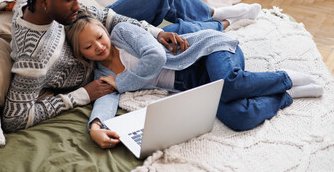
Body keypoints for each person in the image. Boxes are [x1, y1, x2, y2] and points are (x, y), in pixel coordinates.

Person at [3, 0, 261, 133]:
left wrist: (155, 32)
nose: (78, 5)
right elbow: (14, 117)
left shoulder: (34, 6)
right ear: (45, 2)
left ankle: (214, 15)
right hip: (93, 53)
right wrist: (82, 95)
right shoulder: (33, 59)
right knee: (182, 35)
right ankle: (218, 24)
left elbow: (104, 17)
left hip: (91, 34)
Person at [66, 16, 324, 149]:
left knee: (231, 84)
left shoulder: (122, 33)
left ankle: (285, 77)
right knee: (238, 117)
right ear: (81, 54)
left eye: (99, 37)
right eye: (88, 47)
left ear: (104, 29)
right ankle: (286, 96)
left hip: (208, 52)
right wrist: (96, 126)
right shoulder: (101, 74)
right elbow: (105, 98)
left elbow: (155, 57)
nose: (98, 46)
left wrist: (120, 83)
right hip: (199, 84)